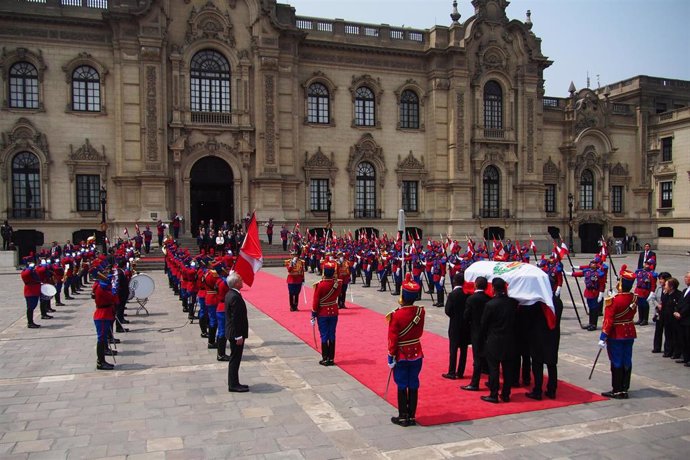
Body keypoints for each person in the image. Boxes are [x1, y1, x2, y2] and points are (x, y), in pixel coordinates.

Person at [386, 273, 424, 427]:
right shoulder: (421, 312)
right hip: (416, 352)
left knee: (402, 383)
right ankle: (412, 416)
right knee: (413, 383)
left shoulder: (396, 315)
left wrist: (390, 356)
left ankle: (403, 416)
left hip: (401, 354)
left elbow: (392, 338)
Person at [599, 265, 638, 399]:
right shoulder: (634, 298)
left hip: (616, 333)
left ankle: (617, 390)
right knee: (627, 360)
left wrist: (603, 336)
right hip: (630, 332)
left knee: (616, 361)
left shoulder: (614, 301)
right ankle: (624, 388)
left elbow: (608, 320)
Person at [479, 277, 518, 403]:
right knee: (507, 369)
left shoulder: (490, 304)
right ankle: (506, 394)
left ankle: (494, 394)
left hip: (494, 339)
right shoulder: (513, 302)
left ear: (493, 288)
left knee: (494, 369)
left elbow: (484, 324)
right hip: (510, 339)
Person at [526, 275, 563, 400]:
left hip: (538, 337)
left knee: (537, 364)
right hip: (552, 336)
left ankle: (537, 390)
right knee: (552, 364)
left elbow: (530, 318)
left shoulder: (539, 302)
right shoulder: (558, 301)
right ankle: (552, 390)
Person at [461, 276, 491, 391]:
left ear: (476, 285)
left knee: (477, 358)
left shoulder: (471, 299)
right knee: (488, 356)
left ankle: (474, 383)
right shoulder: (488, 298)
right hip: (487, 332)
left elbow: (466, 316)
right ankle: (490, 379)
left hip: (476, 331)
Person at [311, 260, 342, 366]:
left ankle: (325, 358)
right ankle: (331, 358)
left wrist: (313, 313)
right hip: (333, 311)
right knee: (332, 334)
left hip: (323, 312)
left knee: (324, 335)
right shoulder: (338, 284)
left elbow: (316, 301)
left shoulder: (320, 285)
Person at [225, 271, 249, 392]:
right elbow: (235, 318)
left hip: (234, 332)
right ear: (235, 283)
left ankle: (235, 382)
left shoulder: (231, 293)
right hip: (236, 333)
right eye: (240, 280)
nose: (242, 281)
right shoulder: (234, 296)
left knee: (236, 358)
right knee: (235, 359)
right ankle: (233, 384)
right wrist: (238, 335)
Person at [442, 272, 470, 380]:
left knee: (453, 350)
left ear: (454, 281)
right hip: (465, 324)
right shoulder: (467, 293)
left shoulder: (452, 294)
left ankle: (452, 371)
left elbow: (448, 310)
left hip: (454, 324)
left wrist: (454, 316)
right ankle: (460, 371)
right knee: (463, 350)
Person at [93, 270, 117, 370]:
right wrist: (113, 289)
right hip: (102, 315)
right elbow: (114, 298)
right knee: (101, 339)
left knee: (103, 338)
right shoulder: (101, 289)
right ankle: (100, 362)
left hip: (105, 313)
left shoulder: (102, 287)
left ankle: (102, 360)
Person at [672, 272, 690, 366]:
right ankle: (685, 357)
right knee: (683, 339)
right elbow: (680, 302)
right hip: (680, 319)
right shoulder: (685, 290)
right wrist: (676, 311)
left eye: (687, 277)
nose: (685, 278)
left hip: (687, 319)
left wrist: (681, 313)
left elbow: (688, 306)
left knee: (688, 339)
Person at [652, 272, 672, 354]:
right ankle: (657, 347)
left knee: (667, 332)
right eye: (659, 279)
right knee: (658, 330)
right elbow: (653, 298)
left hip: (666, 312)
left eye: (662, 279)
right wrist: (657, 305)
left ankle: (668, 349)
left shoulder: (669, 289)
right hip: (658, 312)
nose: (660, 281)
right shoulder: (659, 288)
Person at [21, 262, 42, 328]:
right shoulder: (25, 272)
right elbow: (25, 274)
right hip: (30, 292)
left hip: (35, 292)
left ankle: (31, 322)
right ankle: (30, 322)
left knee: (33, 306)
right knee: (30, 308)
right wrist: (29, 268)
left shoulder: (33, 271)